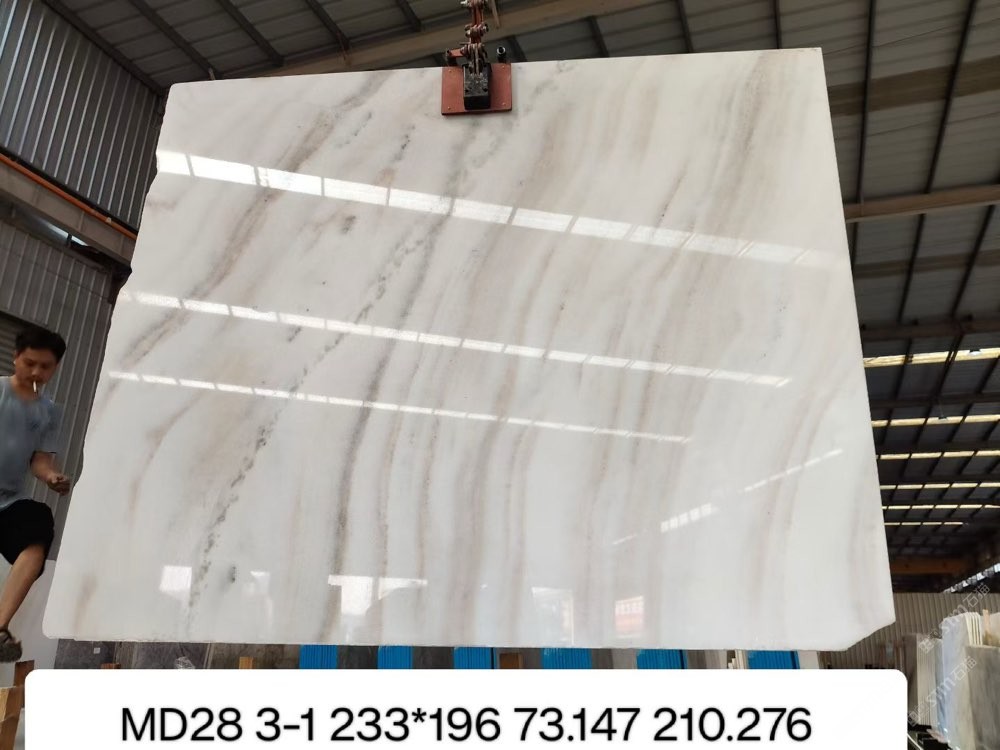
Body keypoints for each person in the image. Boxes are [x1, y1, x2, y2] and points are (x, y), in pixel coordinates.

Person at [0, 326, 71, 661]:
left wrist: (51, 476)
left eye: (45, 367)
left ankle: (0, 626)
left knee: (38, 523)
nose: (36, 372)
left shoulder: (49, 412)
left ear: (55, 368)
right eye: (30, 363)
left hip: (7, 503)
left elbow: (40, 461)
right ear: (16, 357)